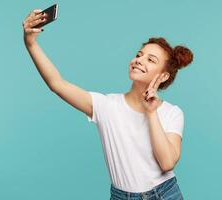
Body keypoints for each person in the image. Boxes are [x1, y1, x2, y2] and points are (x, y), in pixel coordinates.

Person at [22, 9, 193, 200]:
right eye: (139, 54)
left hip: (164, 194)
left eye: (150, 60)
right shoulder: (107, 106)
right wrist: (31, 44)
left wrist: (151, 113)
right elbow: (57, 84)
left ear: (163, 76)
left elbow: (167, 163)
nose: (139, 60)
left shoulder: (172, 113)